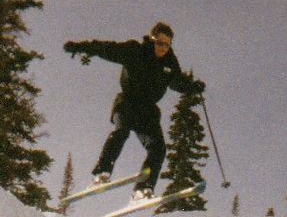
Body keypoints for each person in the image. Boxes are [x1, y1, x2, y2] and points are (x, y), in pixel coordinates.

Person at [64, 22, 204, 200]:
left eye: (167, 45)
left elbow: (178, 82)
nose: (163, 48)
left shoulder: (169, 63)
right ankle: (101, 173)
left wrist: (192, 87)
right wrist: (81, 47)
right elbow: (107, 49)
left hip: (147, 111)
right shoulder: (134, 51)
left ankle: (143, 190)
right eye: (159, 43)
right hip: (127, 103)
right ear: (151, 39)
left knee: (158, 148)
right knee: (121, 131)